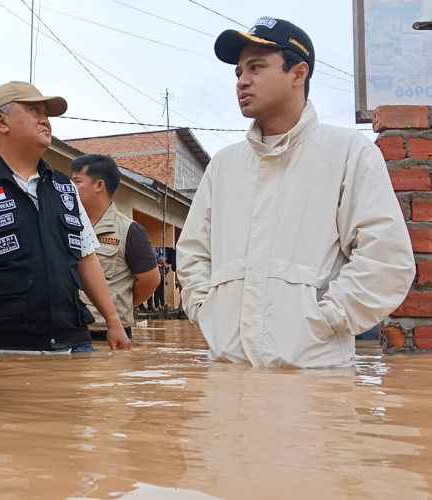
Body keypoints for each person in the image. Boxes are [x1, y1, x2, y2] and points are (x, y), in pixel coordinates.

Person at [176, 17, 415, 368]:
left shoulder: (348, 152)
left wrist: (327, 319)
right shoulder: (224, 166)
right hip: (227, 373)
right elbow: (193, 252)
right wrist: (205, 309)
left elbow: (386, 259)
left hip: (316, 376)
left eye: (256, 67)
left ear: (298, 73)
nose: (242, 80)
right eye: (239, 72)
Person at [0, 82, 132, 353]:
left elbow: (87, 259)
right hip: (2, 350)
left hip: (74, 345)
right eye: (34, 110)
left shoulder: (65, 188)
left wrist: (113, 321)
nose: (45, 120)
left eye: (46, 113)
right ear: (2, 121)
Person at [70, 154, 159, 341]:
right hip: (69, 331)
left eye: (77, 181)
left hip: (109, 335)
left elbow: (150, 281)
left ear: (99, 185)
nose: (70, 188)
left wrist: (118, 306)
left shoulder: (129, 230)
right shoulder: (66, 226)